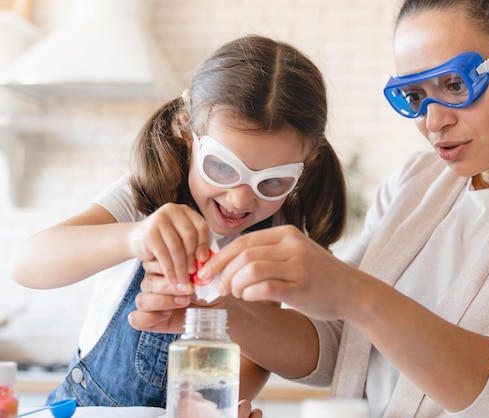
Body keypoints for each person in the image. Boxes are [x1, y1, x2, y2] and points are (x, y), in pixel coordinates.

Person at [128, 0, 489, 417]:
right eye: (413, 95)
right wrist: (216, 310)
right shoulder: (417, 182)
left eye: (455, 85)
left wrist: (354, 292)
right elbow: (342, 348)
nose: (433, 121)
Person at [10, 34, 347, 412]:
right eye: (221, 167)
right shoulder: (143, 196)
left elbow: (256, 358)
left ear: (307, 165)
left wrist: (221, 405)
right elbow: (26, 265)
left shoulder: (280, 233)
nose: (239, 199)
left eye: (272, 182)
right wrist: (134, 237)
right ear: (188, 134)